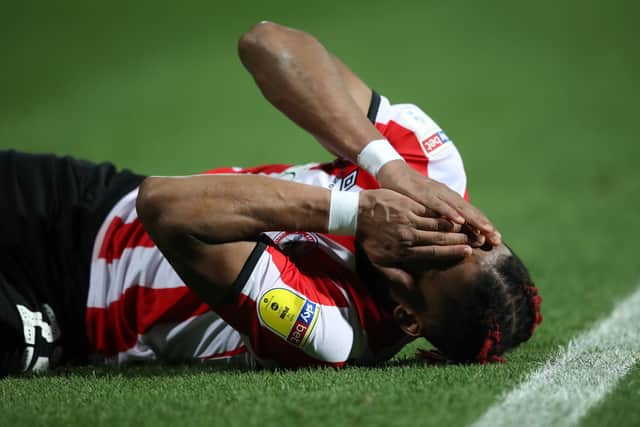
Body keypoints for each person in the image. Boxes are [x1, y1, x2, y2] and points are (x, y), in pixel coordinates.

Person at [0, 22, 541, 376]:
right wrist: (387, 165)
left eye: (434, 255)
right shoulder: (431, 173)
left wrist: (355, 213)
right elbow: (267, 45)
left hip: (69, 309)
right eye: (467, 233)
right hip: (88, 202)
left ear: (406, 316)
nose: (441, 229)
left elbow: (165, 205)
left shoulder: (330, 330)